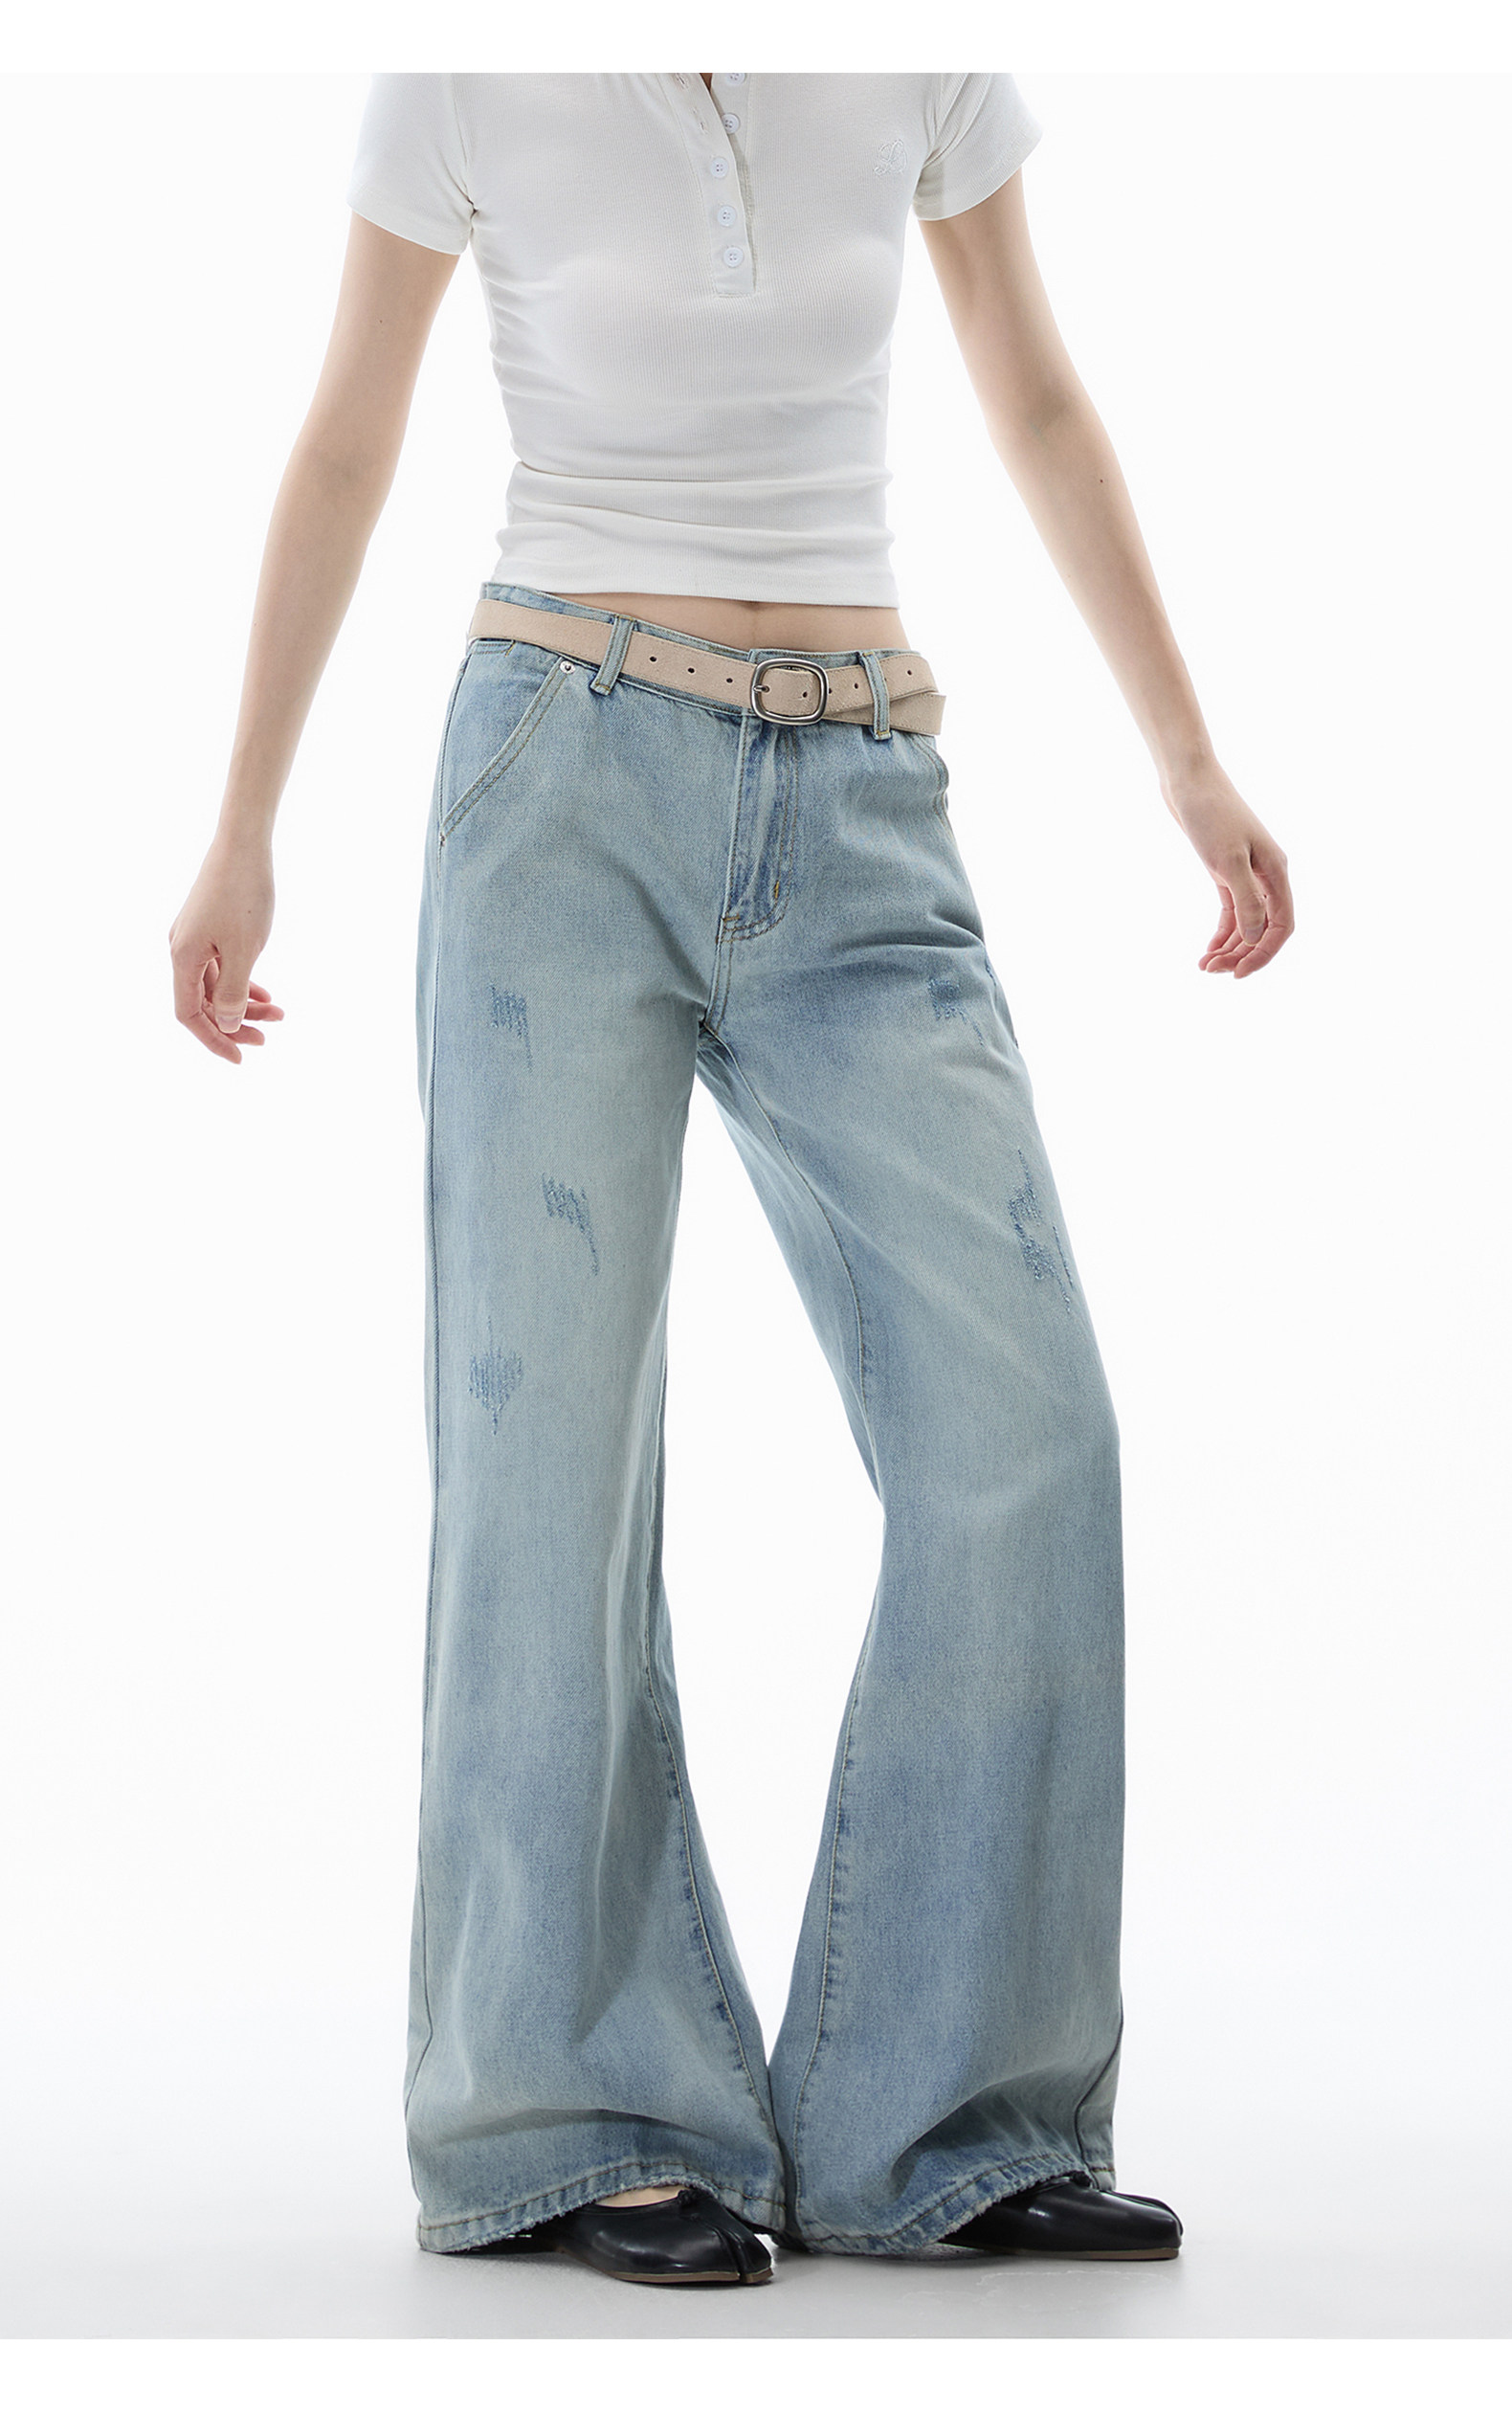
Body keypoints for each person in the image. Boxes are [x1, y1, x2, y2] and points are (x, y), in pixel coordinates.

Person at [168, 72, 1292, 2290]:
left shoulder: (912, 58)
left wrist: (1186, 756)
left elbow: (1035, 396)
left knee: (1025, 1436)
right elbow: (345, 443)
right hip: (556, 781)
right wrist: (242, 826)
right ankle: (573, 2111)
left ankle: (944, 2118)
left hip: (864, 794)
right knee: (547, 1477)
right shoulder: (469, 72)